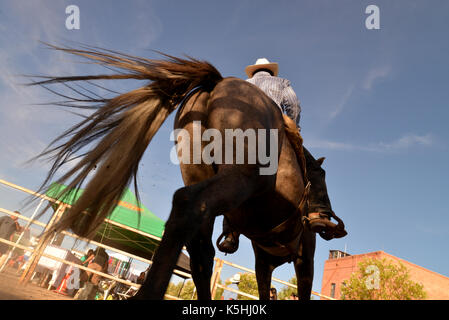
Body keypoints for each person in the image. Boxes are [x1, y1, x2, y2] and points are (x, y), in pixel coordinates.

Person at [217, 58, 345, 254]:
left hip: (241, 133)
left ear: (253, 73)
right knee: (315, 170)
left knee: (229, 176)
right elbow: (294, 107)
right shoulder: (281, 83)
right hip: (272, 127)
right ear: (271, 72)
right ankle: (318, 212)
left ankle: (230, 233)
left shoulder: (243, 85)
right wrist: (293, 127)